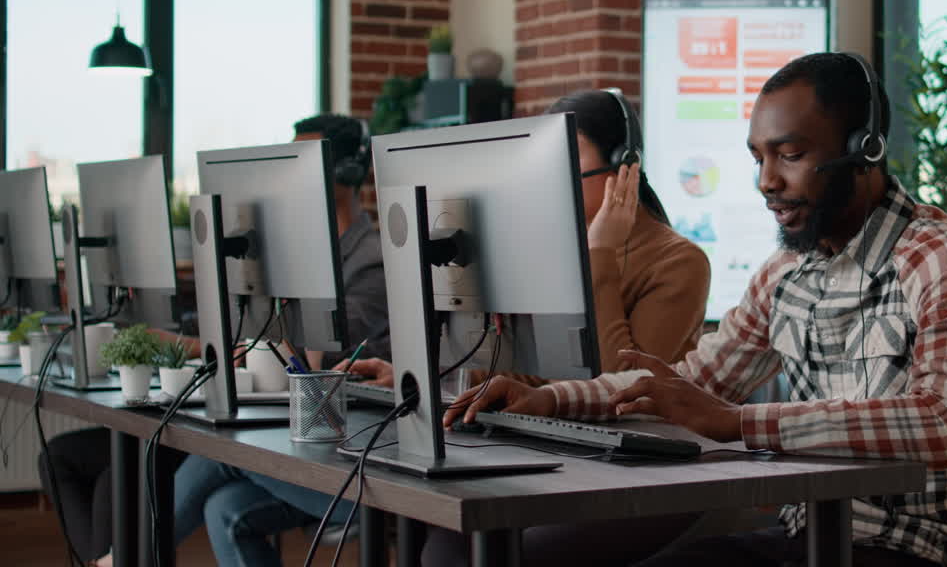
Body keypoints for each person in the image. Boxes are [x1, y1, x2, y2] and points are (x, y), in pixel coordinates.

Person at [444, 53, 947, 567]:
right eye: (759, 158)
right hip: (811, 532)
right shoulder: (785, 273)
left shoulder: (942, 259)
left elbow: (945, 426)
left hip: (917, 543)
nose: (766, 182)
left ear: (863, 151)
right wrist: (548, 400)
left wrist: (740, 423)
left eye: (790, 156)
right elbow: (686, 383)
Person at [181, 91, 713, 567]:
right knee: (230, 503)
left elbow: (627, 389)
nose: (553, 195)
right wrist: (411, 376)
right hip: (527, 446)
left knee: (440, 542)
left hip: (613, 471)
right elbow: (523, 372)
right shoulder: (548, 247)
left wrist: (600, 256)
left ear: (626, 169)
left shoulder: (678, 262)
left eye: (569, 175)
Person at [74, 113, 389, 567]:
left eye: (299, 161)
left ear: (344, 172)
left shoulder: (370, 260)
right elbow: (262, 345)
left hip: (348, 455)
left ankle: (125, 559)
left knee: (225, 451)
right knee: (225, 509)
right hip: (296, 436)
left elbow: (325, 353)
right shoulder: (290, 255)